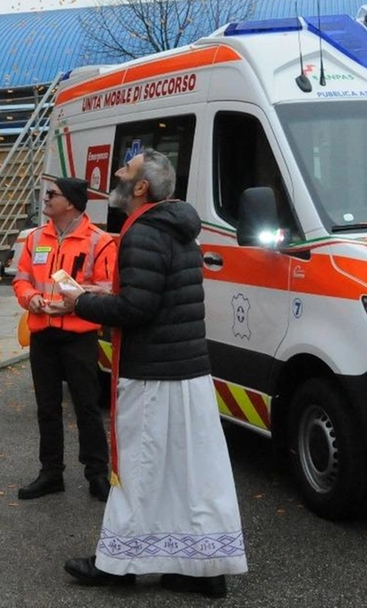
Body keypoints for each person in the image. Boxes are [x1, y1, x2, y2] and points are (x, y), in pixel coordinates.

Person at [58, 149, 247, 599]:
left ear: (141, 187)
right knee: (190, 472)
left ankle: (119, 565)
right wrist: (102, 290)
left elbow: (137, 308)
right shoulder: (175, 226)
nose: (116, 174)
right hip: (186, 370)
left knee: (138, 470)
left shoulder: (141, 232)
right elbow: (155, 294)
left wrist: (79, 301)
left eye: (126, 169)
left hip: (154, 374)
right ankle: (203, 569)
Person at [12, 177, 115, 502]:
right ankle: (51, 473)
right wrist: (31, 299)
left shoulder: (99, 241)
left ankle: (97, 475)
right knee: (46, 407)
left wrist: (77, 301)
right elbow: (22, 279)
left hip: (78, 336)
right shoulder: (35, 239)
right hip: (43, 333)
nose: (45, 199)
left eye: (52, 195)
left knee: (86, 406)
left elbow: (109, 288)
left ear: (70, 202)